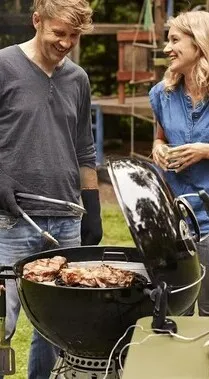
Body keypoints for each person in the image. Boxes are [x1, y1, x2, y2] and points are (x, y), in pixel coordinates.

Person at [0, 0, 103, 377]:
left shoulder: (77, 78)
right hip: (11, 219)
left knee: (57, 326)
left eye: (74, 35)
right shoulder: (4, 65)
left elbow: (84, 148)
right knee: (2, 323)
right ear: (36, 20)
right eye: (58, 33)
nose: (66, 43)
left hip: (66, 219)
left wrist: (91, 206)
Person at [149, 10, 209, 317]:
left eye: (174, 40)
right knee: (176, 310)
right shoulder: (162, 93)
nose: (166, 48)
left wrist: (205, 150)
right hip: (175, 220)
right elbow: (159, 137)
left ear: (198, 45)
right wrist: (159, 149)